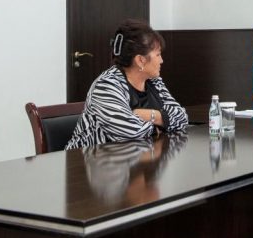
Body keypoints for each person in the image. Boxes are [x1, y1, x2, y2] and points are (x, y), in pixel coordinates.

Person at [66, 19, 188, 149]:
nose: (162, 60)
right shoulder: (106, 85)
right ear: (140, 60)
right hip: (86, 158)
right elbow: (130, 133)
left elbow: (182, 118)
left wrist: (148, 115)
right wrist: (160, 125)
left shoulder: (154, 81)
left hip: (138, 156)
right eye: (158, 55)